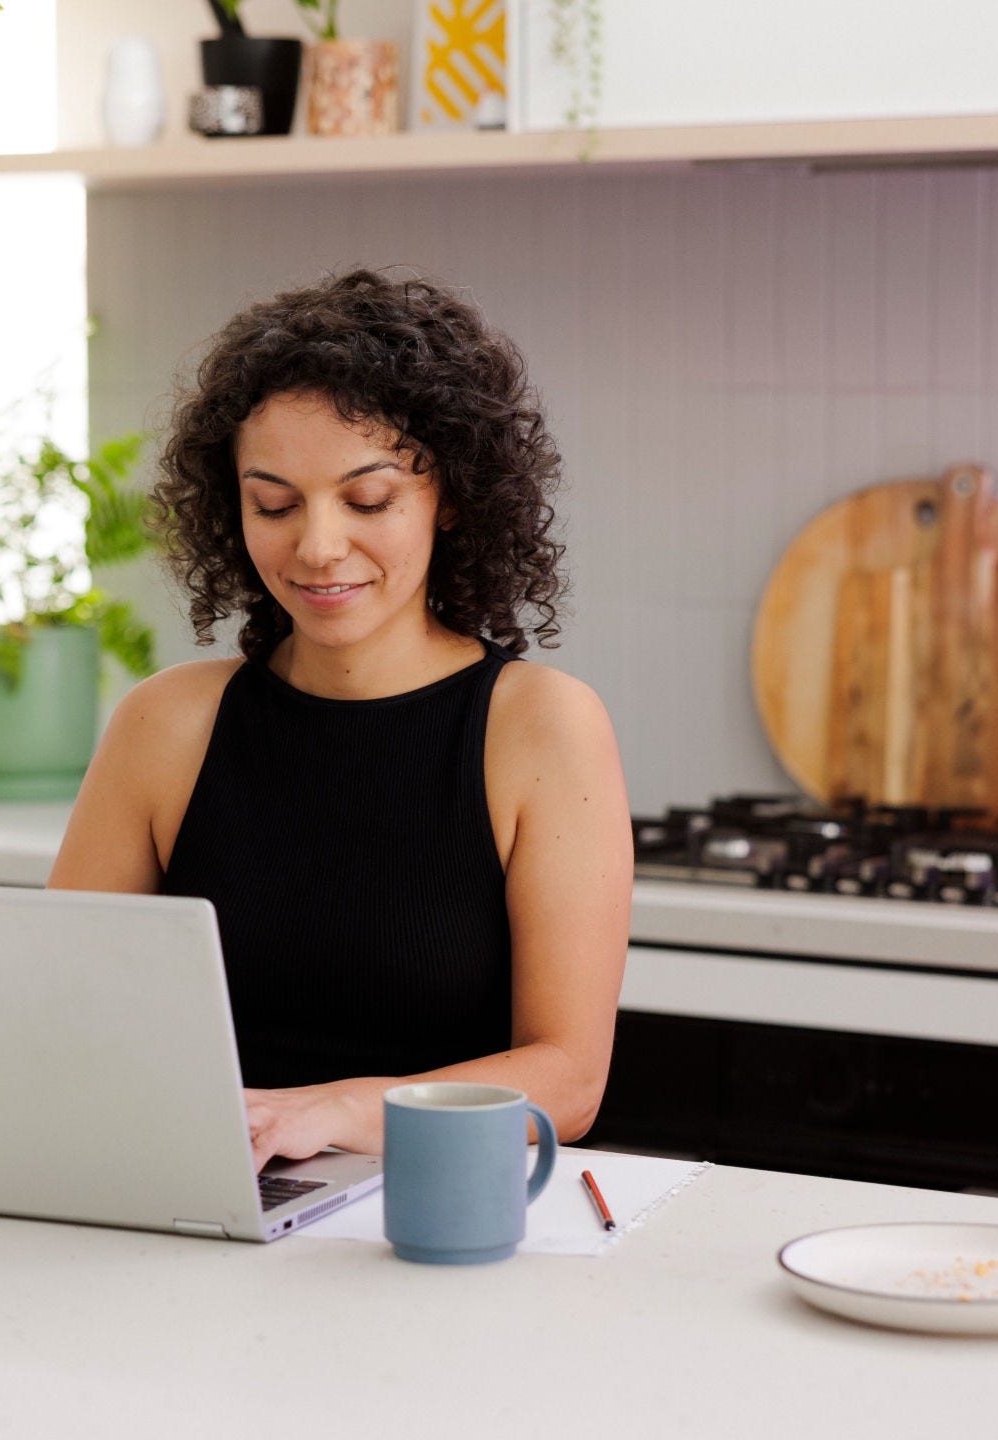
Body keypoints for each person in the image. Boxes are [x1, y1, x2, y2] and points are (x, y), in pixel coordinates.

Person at [46, 268, 632, 1171]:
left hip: (437, 1213)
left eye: (369, 501)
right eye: (273, 504)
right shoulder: (165, 725)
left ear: (454, 499)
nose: (317, 547)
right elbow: (61, 1012)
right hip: (202, 1196)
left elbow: (568, 1079)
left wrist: (335, 1113)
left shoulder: (541, 728)